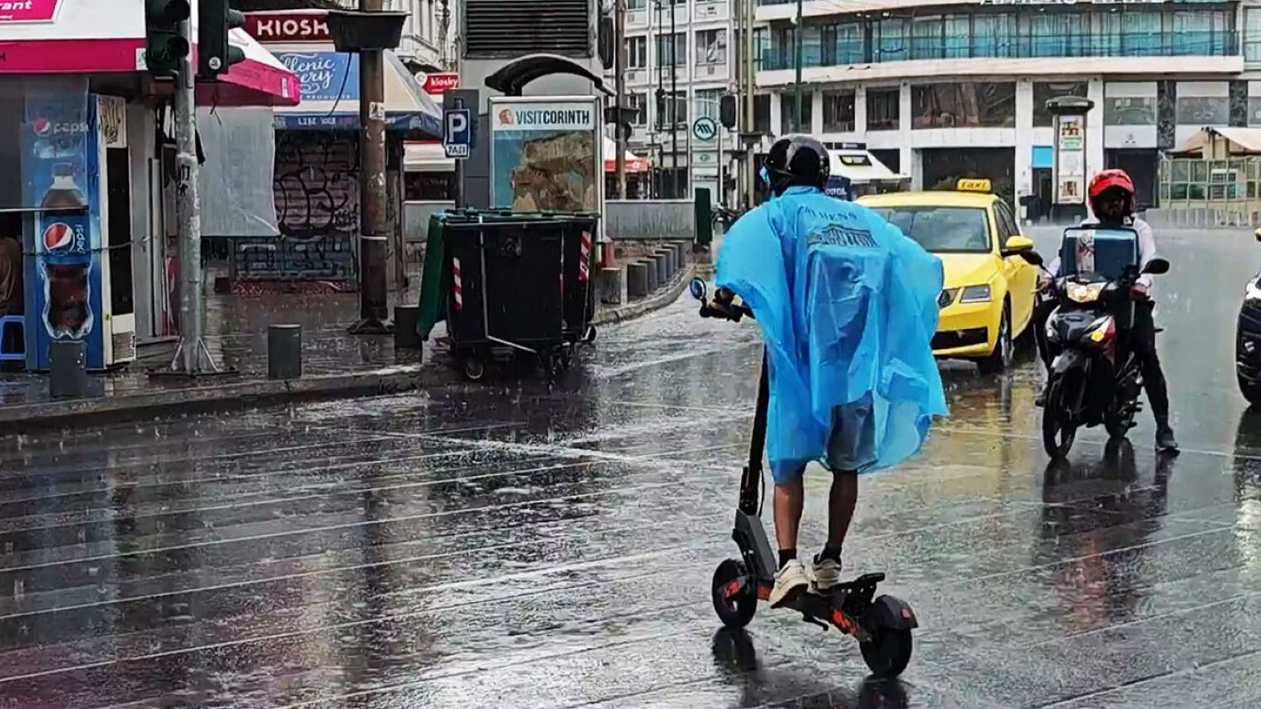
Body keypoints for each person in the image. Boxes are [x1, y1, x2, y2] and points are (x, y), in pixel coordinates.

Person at [712, 136, 948, 606]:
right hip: (853, 370)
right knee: (847, 465)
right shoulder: (861, 220)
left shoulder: (777, 216)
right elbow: (914, 261)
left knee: (787, 465)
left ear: (777, 177)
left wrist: (722, 297)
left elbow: (741, 255)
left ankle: (788, 564)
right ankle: (832, 558)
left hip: (800, 368)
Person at [1037, 169, 1178, 454]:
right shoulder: (1085, 229)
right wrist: (1049, 277)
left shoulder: (1139, 230)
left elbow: (1148, 259)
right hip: (1087, 297)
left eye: (1118, 197)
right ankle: (1054, 381)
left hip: (1126, 300)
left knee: (1146, 354)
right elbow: (1063, 258)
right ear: (1096, 202)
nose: (1113, 203)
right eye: (1107, 198)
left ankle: (1164, 428)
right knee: (1044, 316)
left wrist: (1141, 283)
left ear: (1127, 201)